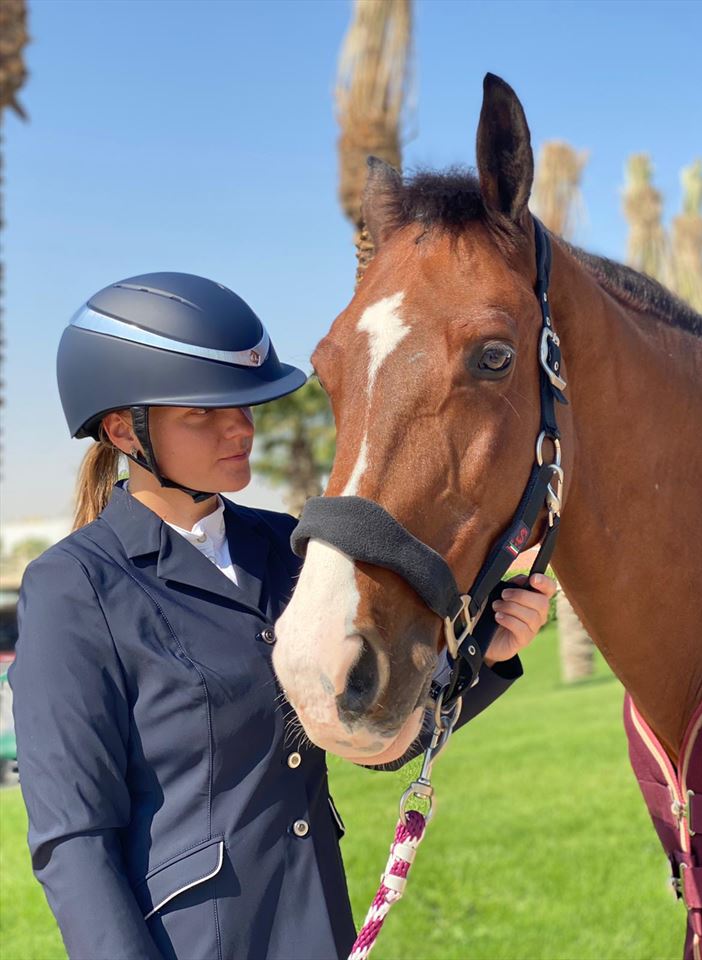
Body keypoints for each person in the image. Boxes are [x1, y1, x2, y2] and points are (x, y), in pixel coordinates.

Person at [10, 272, 555, 960]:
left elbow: (368, 735)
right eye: (202, 414)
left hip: (318, 925)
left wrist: (491, 656)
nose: (240, 428)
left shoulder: (286, 547)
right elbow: (73, 839)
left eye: (243, 406)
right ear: (125, 430)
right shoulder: (72, 586)